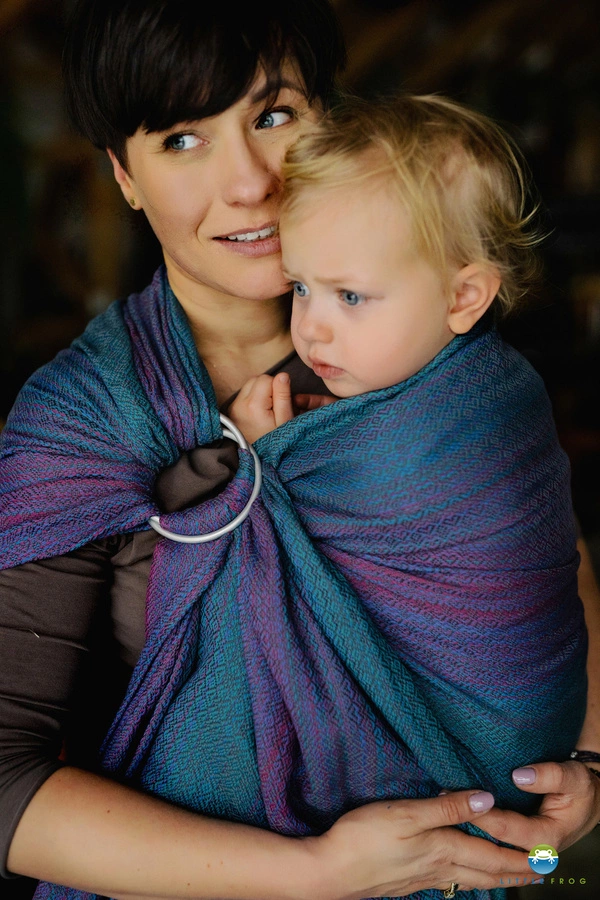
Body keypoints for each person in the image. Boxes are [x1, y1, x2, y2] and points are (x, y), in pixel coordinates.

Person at [0, 3, 598, 900]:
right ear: (124, 175)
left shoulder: (419, 342)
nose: (249, 183)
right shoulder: (83, 424)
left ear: (332, 118)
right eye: (181, 140)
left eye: (274, 115)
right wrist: (314, 874)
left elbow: (544, 563)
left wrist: (587, 763)